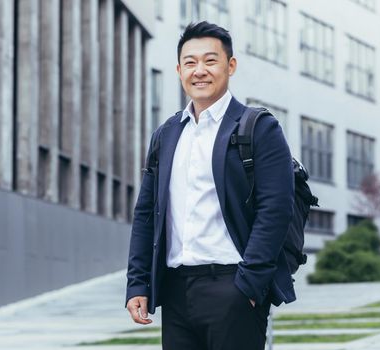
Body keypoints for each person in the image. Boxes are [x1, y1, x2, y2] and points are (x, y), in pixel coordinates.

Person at [125, 21, 295, 350]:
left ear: (230, 66)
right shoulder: (167, 134)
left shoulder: (259, 128)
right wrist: (138, 284)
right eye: (190, 62)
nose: (199, 70)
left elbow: (275, 209)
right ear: (178, 69)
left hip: (233, 287)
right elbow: (147, 214)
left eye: (210, 60)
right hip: (176, 291)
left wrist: (249, 285)